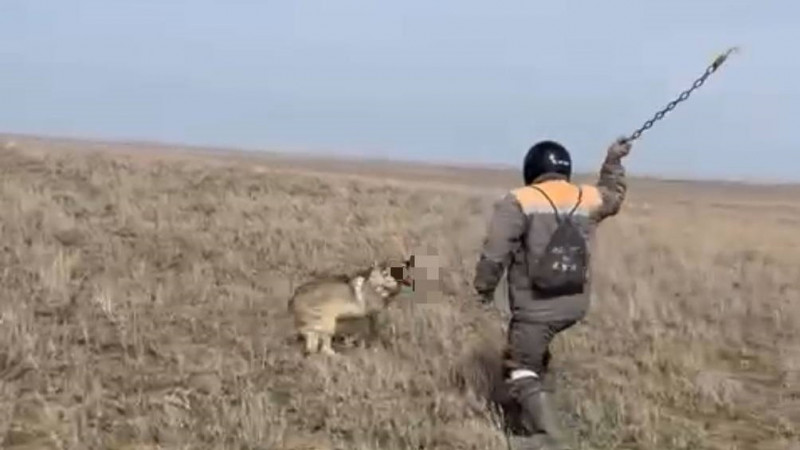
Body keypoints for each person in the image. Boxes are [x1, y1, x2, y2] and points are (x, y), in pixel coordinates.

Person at [473, 137, 632, 449]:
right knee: (536, 357)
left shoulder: (519, 199)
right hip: (575, 304)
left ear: (531, 168)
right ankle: (532, 411)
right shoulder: (587, 197)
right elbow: (613, 195)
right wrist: (613, 160)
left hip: (536, 307)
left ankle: (548, 438)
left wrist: (483, 289)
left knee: (520, 367)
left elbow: (494, 253)